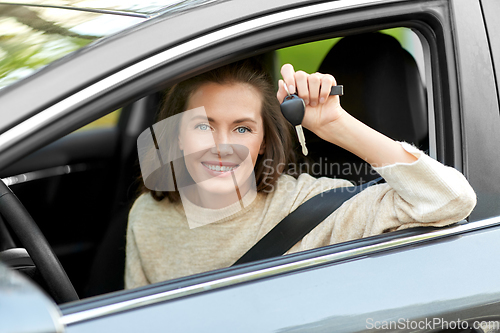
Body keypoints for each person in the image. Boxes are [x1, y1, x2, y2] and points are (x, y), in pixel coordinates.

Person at [125, 60, 476, 289]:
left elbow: (449, 199)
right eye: (203, 125)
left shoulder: (312, 206)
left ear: (264, 142)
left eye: (243, 129)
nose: (221, 145)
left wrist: (335, 125)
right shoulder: (147, 216)